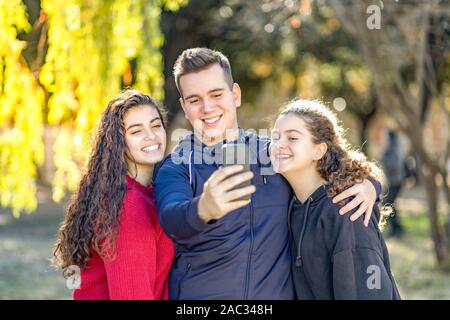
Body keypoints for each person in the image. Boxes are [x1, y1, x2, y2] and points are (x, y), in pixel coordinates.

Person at [154, 47, 381, 300]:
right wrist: (203, 209)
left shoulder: (274, 154)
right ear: (184, 107)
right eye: (194, 100)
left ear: (235, 95)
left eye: (216, 94)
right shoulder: (177, 167)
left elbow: (332, 164)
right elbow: (171, 217)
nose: (207, 107)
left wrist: (370, 185)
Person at [270, 99, 400, 299]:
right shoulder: (294, 203)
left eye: (293, 138)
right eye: (275, 137)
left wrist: (371, 184)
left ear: (319, 150)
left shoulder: (347, 209)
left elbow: (368, 292)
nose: (279, 145)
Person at [53, 90, 174, 300]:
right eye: (136, 131)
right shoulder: (128, 205)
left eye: (156, 125)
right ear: (119, 142)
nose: (151, 136)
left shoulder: (148, 193)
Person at [381, 130, 406, 237]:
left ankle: (397, 229)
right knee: (389, 204)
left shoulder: (393, 150)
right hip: (394, 181)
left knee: (388, 204)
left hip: (396, 181)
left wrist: (385, 155)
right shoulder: (394, 148)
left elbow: (393, 166)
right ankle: (396, 228)